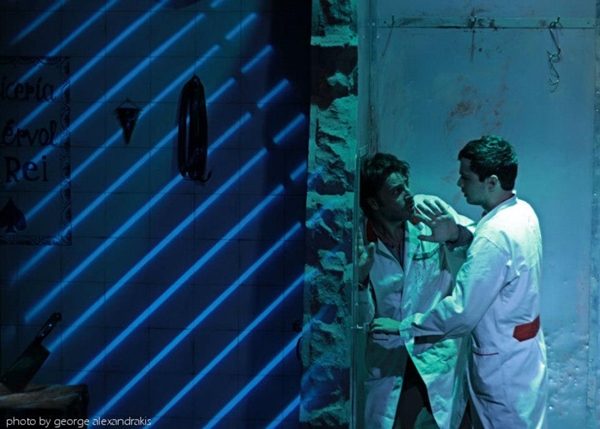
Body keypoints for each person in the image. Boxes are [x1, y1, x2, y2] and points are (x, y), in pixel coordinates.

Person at [372, 136, 548, 428]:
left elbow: (461, 313)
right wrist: (457, 234)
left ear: (491, 182)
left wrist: (405, 327)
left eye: (466, 177)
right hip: (521, 357)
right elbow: (496, 256)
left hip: (503, 370)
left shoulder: (494, 236)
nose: (459, 183)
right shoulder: (523, 213)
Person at [357, 152, 474, 429]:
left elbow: (480, 247)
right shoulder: (360, 241)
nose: (408, 195)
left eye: (406, 185)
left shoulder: (428, 211)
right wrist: (360, 283)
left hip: (436, 351)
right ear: (374, 203)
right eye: (396, 191)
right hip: (391, 358)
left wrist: (455, 234)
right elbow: (363, 320)